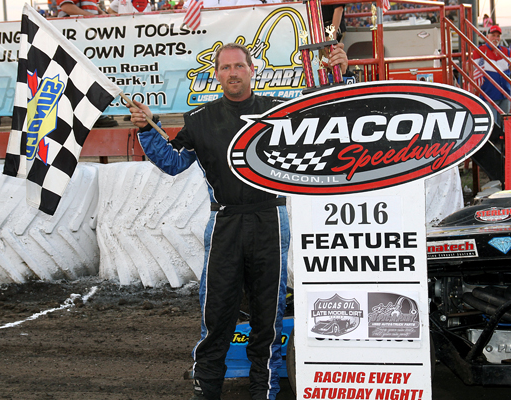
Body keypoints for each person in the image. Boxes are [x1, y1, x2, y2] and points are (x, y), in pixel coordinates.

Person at [127, 42, 348, 400]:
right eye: (226, 67)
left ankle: (264, 392)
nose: (233, 72)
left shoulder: (279, 111)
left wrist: (341, 74)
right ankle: (207, 391)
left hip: (270, 220)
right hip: (225, 222)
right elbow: (172, 162)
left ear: (252, 70)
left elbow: (331, 123)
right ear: (216, 74)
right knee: (216, 316)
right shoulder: (199, 119)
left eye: (239, 66)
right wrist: (147, 129)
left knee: (267, 320)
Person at [472, 25, 511, 125]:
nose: (496, 38)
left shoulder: (504, 50)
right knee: (493, 125)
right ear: (487, 36)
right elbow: (470, 66)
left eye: (498, 36)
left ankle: (503, 140)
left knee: (504, 124)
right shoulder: (480, 50)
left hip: (504, 94)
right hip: (488, 95)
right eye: (493, 35)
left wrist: (508, 71)